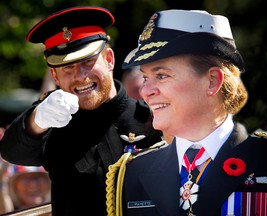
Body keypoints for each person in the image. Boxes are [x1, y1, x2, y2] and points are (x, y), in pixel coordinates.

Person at [106, 9, 267, 215]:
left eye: (162, 76)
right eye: (146, 77)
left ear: (212, 81)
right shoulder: (134, 172)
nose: (145, 91)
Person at [0, 6, 163, 216]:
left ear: (110, 60)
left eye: (88, 62)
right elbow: (12, 151)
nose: (80, 76)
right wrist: (37, 119)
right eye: (67, 67)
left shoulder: (152, 119)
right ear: (55, 76)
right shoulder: (54, 126)